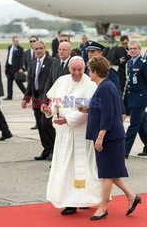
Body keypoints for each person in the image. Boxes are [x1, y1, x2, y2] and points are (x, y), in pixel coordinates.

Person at [41, 56, 102, 215]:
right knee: (66, 167)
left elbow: (91, 111)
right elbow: (55, 102)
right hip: (63, 133)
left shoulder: (90, 84)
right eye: (73, 70)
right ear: (69, 69)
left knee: (80, 167)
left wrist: (68, 119)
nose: (76, 73)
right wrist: (50, 110)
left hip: (81, 132)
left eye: (79, 70)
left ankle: (83, 199)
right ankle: (70, 201)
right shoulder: (61, 81)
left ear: (84, 69)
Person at [83, 55, 141, 220]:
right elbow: (103, 109)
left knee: (107, 174)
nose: (89, 73)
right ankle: (131, 196)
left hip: (109, 138)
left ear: (95, 72)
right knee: (111, 172)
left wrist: (100, 137)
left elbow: (107, 115)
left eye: (90, 70)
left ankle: (102, 208)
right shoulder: (104, 86)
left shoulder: (105, 88)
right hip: (111, 137)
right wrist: (86, 110)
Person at [22, 41, 55, 161]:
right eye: (36, 49)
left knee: (46, 123)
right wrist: (26, 98)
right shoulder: (33, 63)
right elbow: (30, 82)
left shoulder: (51, 62)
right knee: (40, 125)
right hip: (35, 98)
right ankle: (46, 149)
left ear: (45, 49)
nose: (39, 51)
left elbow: (52, 81)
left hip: (46, 98)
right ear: (33, 50)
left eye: (41, 48)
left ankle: (53, 149)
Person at [85, 40, 126, 120]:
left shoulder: (107, 70)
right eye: (88, 52)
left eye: (92, 51)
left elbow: (117, 91)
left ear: (100, 53)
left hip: (104, 105)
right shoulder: (88, 69)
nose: (89, 54)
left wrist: (122, 111)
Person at [125, 41, 147, 158]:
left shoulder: (143, 63)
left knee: (133, 125)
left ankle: (124, 150)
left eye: (135, 48)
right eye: (131, 49)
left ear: (139, 49)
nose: (132, 50)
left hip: (140, 99)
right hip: (132, 98)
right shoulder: (129, 63)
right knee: (142, 124)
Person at [112, 35, 131, 116]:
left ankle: (129, 109)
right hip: (122, 72)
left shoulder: (131, 49)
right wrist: (119, 61)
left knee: (129, 91)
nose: (124, 45)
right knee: (122, 90)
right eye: (123, 43)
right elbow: (113, 60)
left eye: (126, 43)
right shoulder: (117, 50)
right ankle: (123, 109)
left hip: (130, 72)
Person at [4, 36, 25, 100]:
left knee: (19, 83)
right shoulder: (9, 47)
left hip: (16, 69)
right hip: (9, 68)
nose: (17, 42)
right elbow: (8, 57)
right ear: (13, 41)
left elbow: (22, 59)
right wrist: (6, 66)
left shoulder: (20, 49)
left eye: (18, 41)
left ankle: (26, 94)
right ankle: (9, 96)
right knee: (9, 83)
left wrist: (21, 68)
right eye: (16, 41)